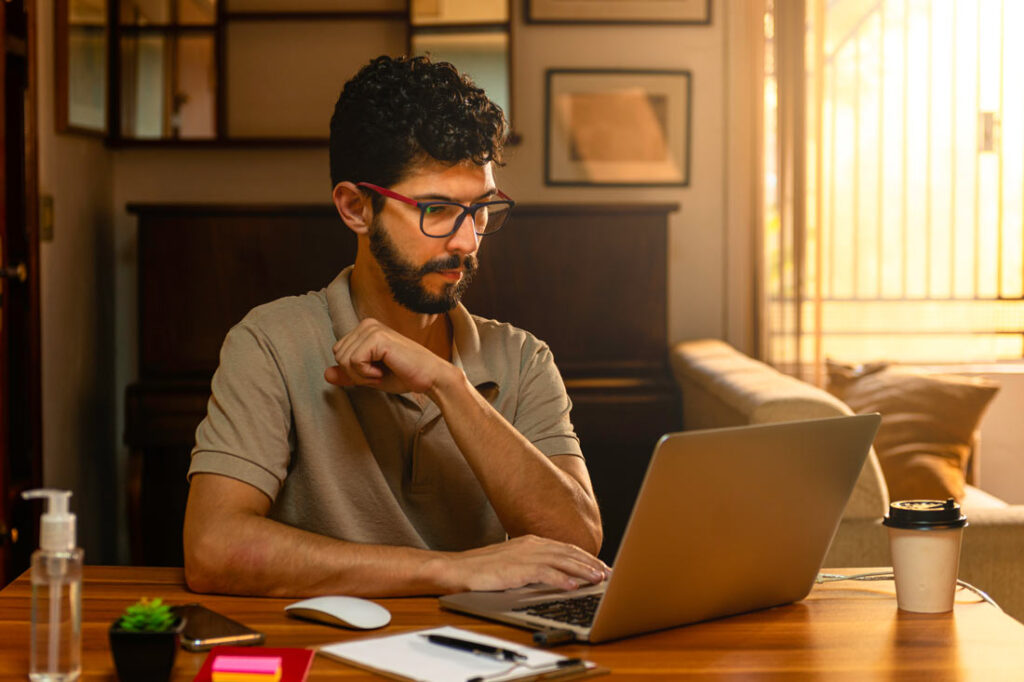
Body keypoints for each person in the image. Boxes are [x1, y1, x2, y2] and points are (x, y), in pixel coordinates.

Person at [182, 55, 607, 598]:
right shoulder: (268, 343)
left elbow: (577, 543)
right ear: (356, 208)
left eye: (480, 209)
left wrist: (446, 384)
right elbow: (213, 551)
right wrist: (453, 571)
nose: (467, 241)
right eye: (436, 209)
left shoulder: (523, 358)